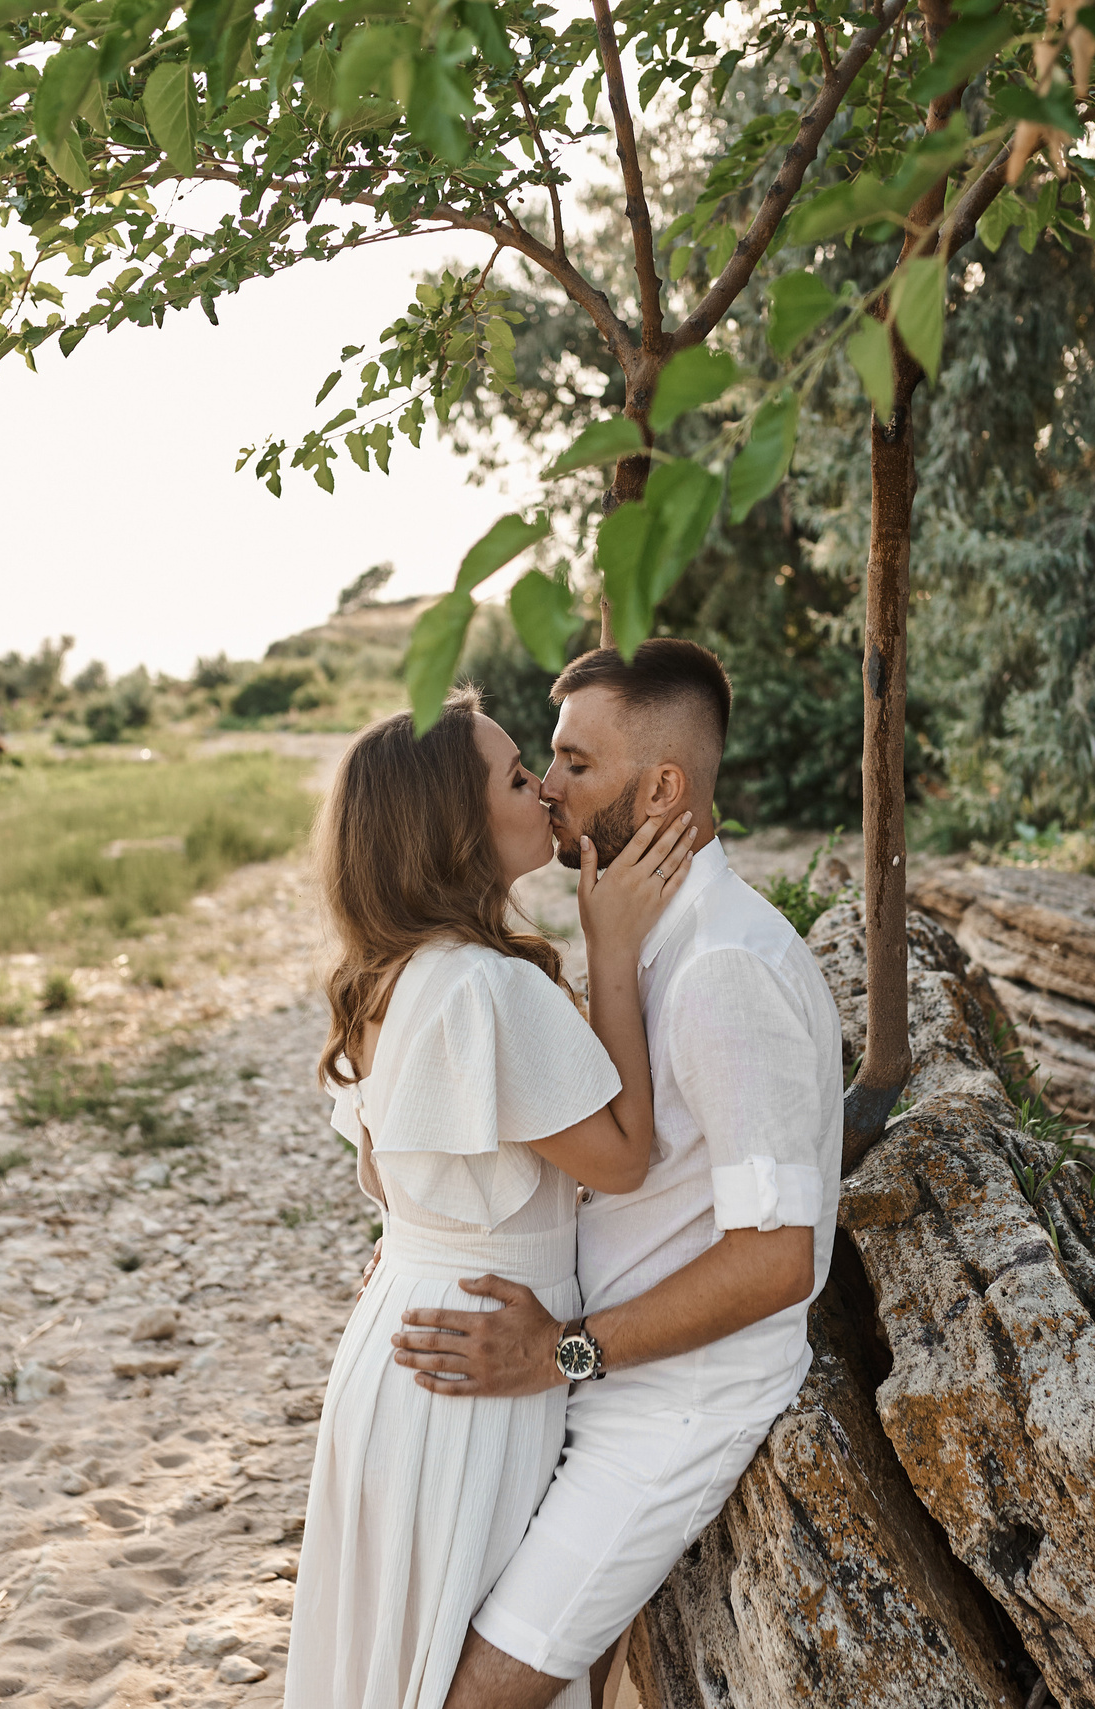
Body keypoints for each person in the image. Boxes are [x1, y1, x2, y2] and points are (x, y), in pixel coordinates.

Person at [390, 639, 845, 1709]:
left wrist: (564, 1350)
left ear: (663, 786)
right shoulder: (649, 940)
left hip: (672, 1405)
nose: (548, 786)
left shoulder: (724, 967)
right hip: (607, 1384)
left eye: (574, 762)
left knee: (474, 1695)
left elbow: (779, 1261)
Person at [286, 686, 697, 1709]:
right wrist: (611, 947)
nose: (547, 789)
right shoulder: (486, 988)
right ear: (455, 826)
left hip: (402, 1338)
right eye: (519, 776)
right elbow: (624, 1154)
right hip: (475, 1362)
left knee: (397, 1647)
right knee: (460, 1653)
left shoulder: (397, 972)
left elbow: (398, 1178)